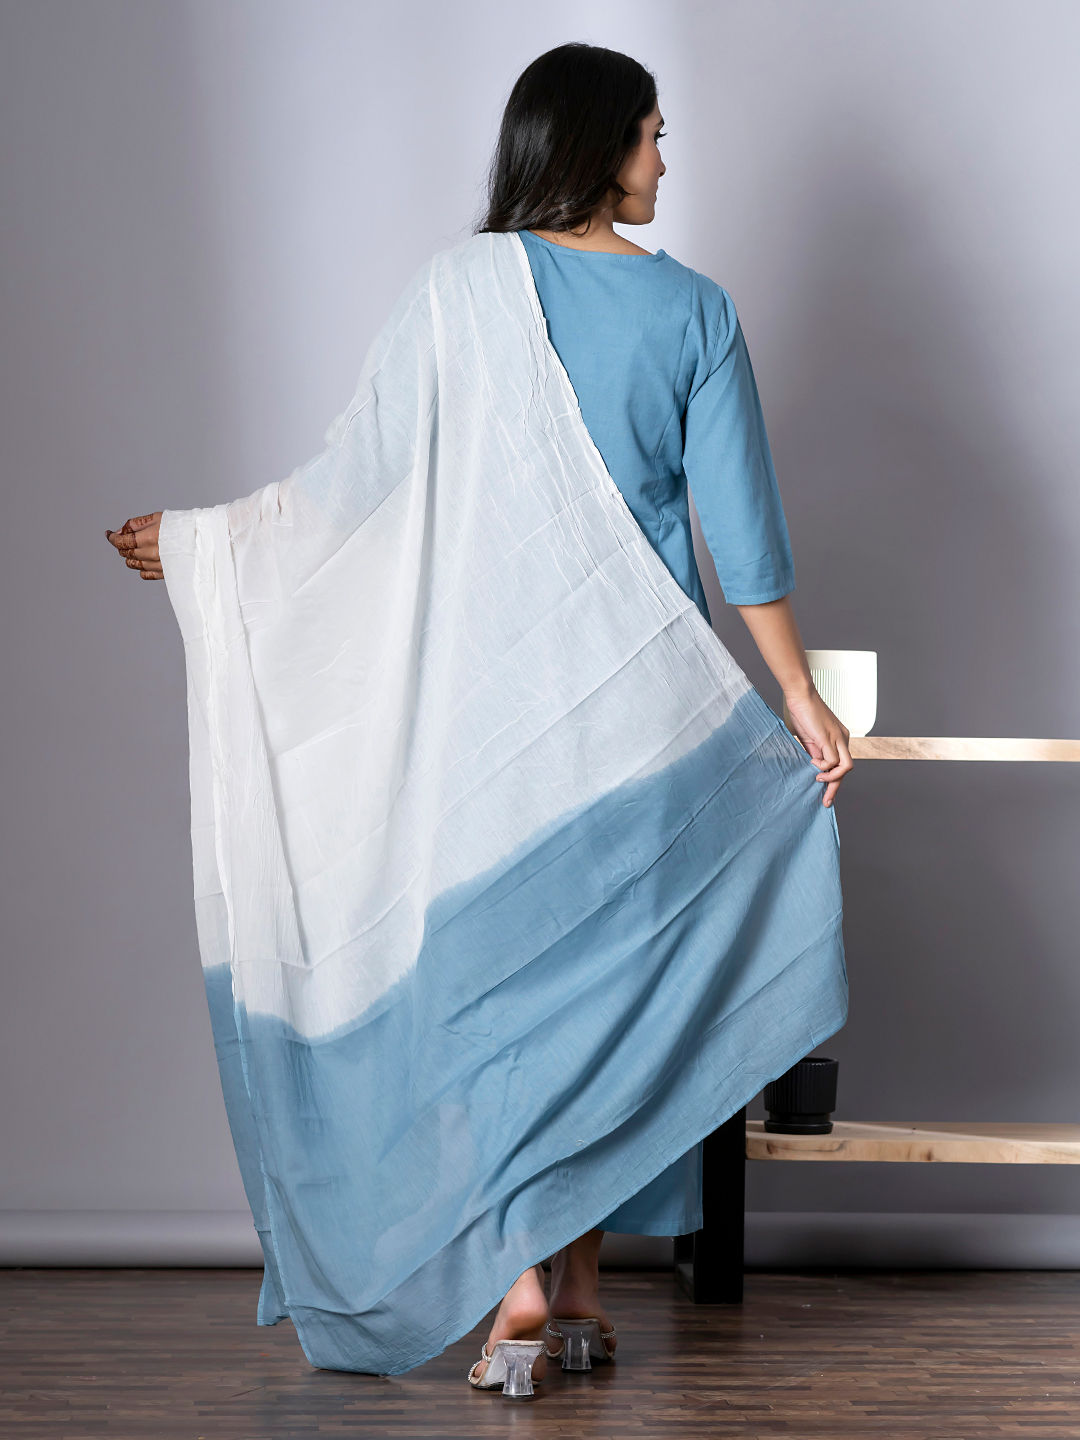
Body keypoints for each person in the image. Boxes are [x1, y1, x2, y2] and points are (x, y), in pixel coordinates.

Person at [106, 41, 853, 1396]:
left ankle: (520, 1293)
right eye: (653, 133)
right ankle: (582, 1291)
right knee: (621, 997)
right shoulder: (694, 312)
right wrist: (797, 697)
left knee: (506, 1001)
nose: (667, 157)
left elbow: (355, 490)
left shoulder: (459, 292)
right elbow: (742, 538)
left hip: (495, 723)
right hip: (642, 723)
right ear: (599, 145)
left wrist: (211, 546)